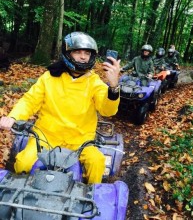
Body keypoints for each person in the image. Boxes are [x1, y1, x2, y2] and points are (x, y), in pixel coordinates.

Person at [0, 31, 121, 184]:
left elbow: (108, 110)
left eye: (87, 53)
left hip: (81, 140)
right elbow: (29, 100)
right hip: (45, 137)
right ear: (67, 53)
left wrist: (114, 86)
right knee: (23, 162)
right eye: (77, 52)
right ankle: (20, 200)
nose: (83, 57)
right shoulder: (49, 77)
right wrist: (13, 118)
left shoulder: (94, 82)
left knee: (97, 163)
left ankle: (90, 201)